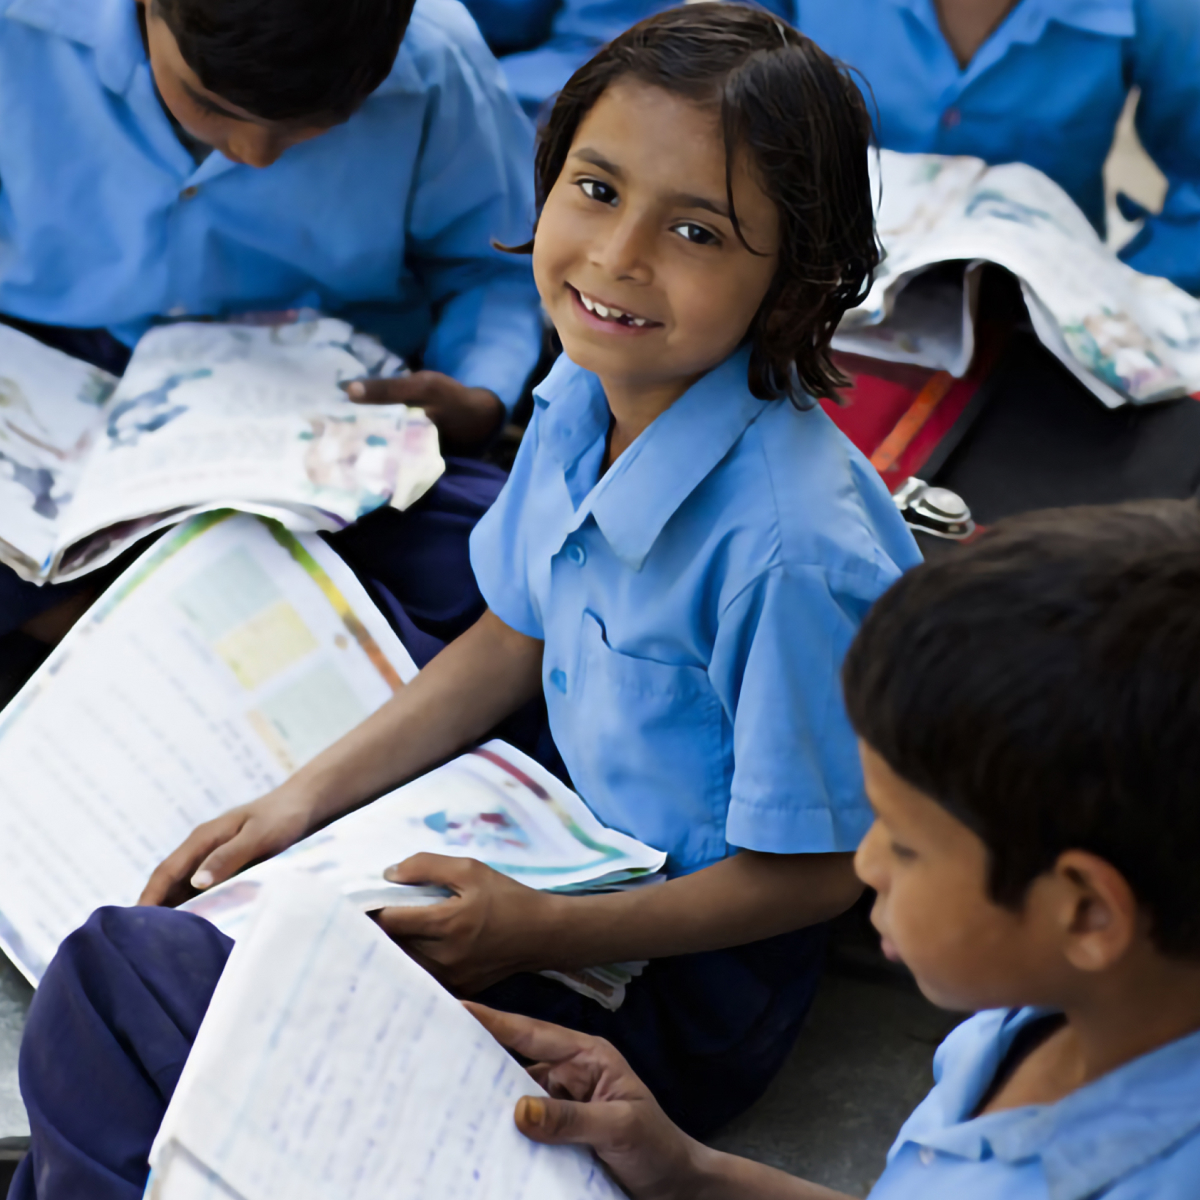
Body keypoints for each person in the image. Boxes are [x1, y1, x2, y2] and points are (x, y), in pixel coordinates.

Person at [9, 8, 919, 1192]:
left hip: (665, 987)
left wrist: (541, 933)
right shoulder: (586, 394)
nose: (619, 256)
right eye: (594, 189)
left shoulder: (792, 552)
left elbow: (826, 867)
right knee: (146, 998)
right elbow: (514, 634)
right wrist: (294, 805)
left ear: (795, 282)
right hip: (549, 847)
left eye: (696, 229)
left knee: (120, 987)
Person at [469, 497, 1200, 1199]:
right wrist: (691, 1174)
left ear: (1087, 915)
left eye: (904, 845)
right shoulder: (1041, 1013)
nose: (865, 863)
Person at [0, 0, 542, 672]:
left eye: (317, 125)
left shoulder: (436, 60)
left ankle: (131, 633)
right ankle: (154, 645)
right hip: (53, 360)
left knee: (507, 574)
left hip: (321, 406)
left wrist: (479, 393)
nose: (254, 155)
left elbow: (495, 269)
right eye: (208, 103)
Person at [497, 0, 1200, 297]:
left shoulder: (1160, 13)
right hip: (803, 288)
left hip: (1024, 324)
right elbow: (711, 95)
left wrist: (1113, 296)